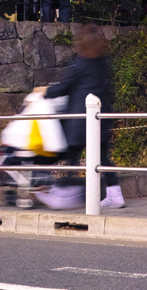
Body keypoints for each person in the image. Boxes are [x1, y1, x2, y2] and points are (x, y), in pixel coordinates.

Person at [34, 25, 125, 209]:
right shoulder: (104, 62)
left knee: (72, 157)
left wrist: (45, 91)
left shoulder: (80, 63)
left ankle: (62, 197)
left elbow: (64, 86)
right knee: (103, 158)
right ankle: (115, 194)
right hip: (101, 117)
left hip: (79, 121)